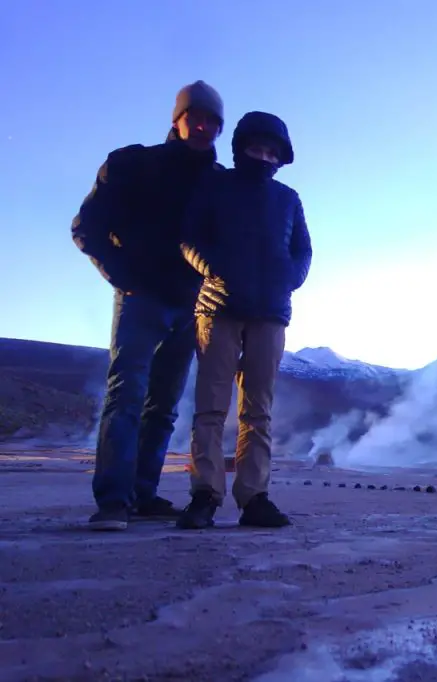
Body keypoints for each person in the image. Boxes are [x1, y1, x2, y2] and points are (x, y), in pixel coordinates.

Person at [71, 80, 225, 531]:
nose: (202, 126)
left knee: (164, 405)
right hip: (141, 300)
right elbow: (86, 227)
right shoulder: (133, 165)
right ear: (176, 120)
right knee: (127, 395)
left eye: (212, 121)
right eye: (193, 117)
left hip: (191, 306)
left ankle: (143, 492)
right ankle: (113, 501)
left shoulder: (218, 184)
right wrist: (125, 278)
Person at [175, 111, 312, 530]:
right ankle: (204, 495)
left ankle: (255, 497)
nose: (264, 157)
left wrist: (289, 280)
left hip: (270, 312)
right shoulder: (215, 186)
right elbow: (188, 238)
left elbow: (303, 251)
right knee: (211, 407)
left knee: (259, 410)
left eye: (273, 151)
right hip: (217, 308)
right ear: (241, 148)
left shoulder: (288, 198)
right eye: (257, 148)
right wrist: (212, 269)